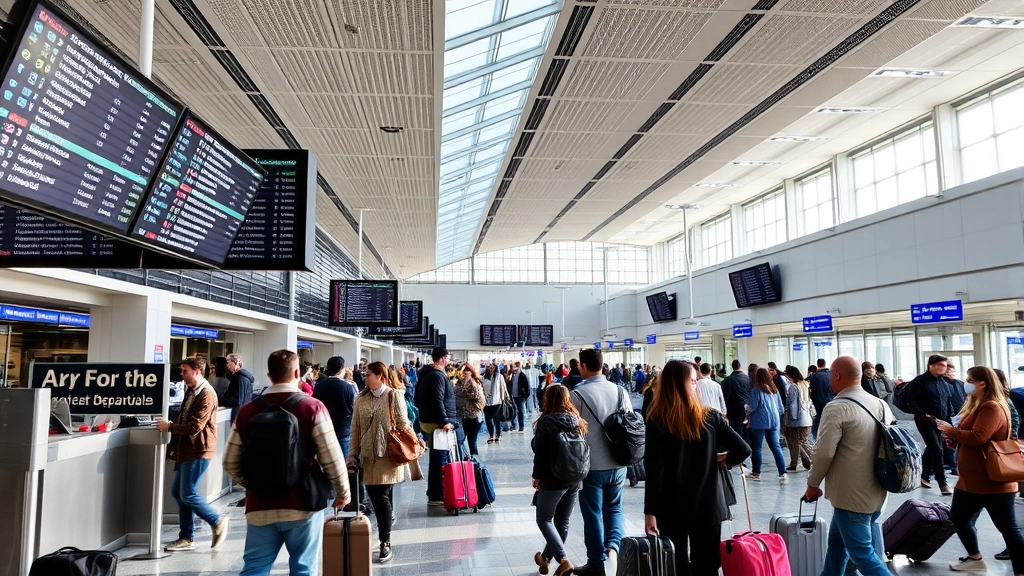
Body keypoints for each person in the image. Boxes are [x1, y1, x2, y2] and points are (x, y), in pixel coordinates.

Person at [223, 350, 351, 575]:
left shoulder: (247, 411)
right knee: (303, 568)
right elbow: (331, 458)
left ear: (269, 376)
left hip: (260, 505)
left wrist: (254, 482)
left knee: (254, 568)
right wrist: (343, 492)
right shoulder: (312, 408)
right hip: (303, 504)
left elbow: (230, 461)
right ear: (297, 373)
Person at [645, 360, 751, 576]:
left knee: (676, 564)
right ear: (678, 384)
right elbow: (744, 449)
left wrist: (650, 512)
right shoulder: (710, 417)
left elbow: (655, 470)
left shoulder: (657, 420)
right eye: (692, 381)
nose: (696, 386)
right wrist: (725, 458)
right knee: (708, 565)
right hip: (709, 503)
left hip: (672, 506)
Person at [804, 356, 895, 576]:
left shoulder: (837, 408)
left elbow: (823, 453)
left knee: (862, 555)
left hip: (851, 495)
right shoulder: (881, 404)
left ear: (836, 376)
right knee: (836, 547)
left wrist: (813, 484)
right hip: (877, 491)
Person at [936, 366, 1024, 574]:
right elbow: (973, 435)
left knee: (1007, 527)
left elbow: (978, 437)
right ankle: (975, 558)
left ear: (982, 383)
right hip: (972, 480)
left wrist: (952, 431)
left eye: (969, 380)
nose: (965, 383)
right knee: (958, 517)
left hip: (990, 480)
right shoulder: (978, 405)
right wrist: (955, 440)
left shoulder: (991, 407)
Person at [570, 348, 633, 576]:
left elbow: (571, 429)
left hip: (590, 466)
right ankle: (614, 550)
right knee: (615, 508)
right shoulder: (620, 391)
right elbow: (629, 424)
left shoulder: (576, 395)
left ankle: (596, 563)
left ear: (583, 366)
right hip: (618, 463)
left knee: (593, 513)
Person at [157, 357, 228, 552]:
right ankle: (187, 537)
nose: (181, 374)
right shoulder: (191, 390)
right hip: (186, 450)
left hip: (199, 449)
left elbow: (195, 427)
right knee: (178, 493)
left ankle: (216, 521)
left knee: (186, 493)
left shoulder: (206, 394)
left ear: (197, 371)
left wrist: (169, 427)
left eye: (185, 371)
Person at [347, 361, 411, 563]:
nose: (364, 378)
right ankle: (387, 523)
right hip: (367, 455)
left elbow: (403, 424)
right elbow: (355, 428)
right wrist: (352, 453)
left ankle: (385, 542)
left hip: (388, 455)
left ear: (380, 377)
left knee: (378, 495)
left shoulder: (394, 395)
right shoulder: (361, 398)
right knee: (383, 496)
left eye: (368, 375)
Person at [532, 384, 589, 576]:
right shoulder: (577, 420)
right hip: (574, 477)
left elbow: (540, 454)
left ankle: (563, 560)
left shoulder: (546, 422)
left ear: (548, 399)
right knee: (562, 523)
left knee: (544, 519)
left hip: (552, 477)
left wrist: (536, 476)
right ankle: (546, 559)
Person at [413, 346, 459, 506]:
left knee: (437, 458)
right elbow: (438, 400)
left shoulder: (425, 374)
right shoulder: (437, 376)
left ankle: (435, 492)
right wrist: (444, 420)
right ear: (442, 358)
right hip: (437, 424)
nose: (449, 361)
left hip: (428, 422)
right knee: (440, 460)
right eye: (448, 357)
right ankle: (436, 494)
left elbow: (416, 400)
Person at [906, 354, 956, 496]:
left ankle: (924, 476)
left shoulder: (944, 382)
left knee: (932, 448)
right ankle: (943, 483)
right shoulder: (920, 381)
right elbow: (912, 402)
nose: (944, 368)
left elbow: (947, 402)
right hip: (925, 420)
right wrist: (924, 415)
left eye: (945, 365)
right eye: (941, 365)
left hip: (941, 421)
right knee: (937, 449)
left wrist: (949, 419)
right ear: (931, 365)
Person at [745, 368, 787, 484]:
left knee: (757, 448)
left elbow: (752, 406)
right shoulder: (774, 390)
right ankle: (782, 474)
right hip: (774, 421)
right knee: (776, 447)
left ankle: (756, 473)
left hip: (760, 421)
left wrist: (747, 412)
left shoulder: (756, 390)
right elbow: (781, 408)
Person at [312, 356, 356, 458]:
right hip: (343, 430)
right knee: (342, 462)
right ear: (342, 369)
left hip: (323, 429)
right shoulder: (347, 387)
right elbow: (354, 407)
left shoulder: (319, 386)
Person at [783, 365, 815, 471]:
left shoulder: (793, 387)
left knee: (797, 441)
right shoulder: (805, 384)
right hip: (807, 418)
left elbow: (789, 402)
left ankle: (811, 460)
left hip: (796, 419)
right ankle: (804, 461)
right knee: (802, 441)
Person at [455, 363, 486, 456]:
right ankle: (465, 462)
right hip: (461, 416)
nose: (463, 375)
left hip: (474, 417)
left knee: (472, 442)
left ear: (471, 373)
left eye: (466, 373)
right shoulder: (457, 383)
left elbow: (478, 397)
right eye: (462, 373)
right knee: (460, 441)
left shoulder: (474, 383)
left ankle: (475, 464)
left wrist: (464, 386)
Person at [721, 359, 753, 447]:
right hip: (746, 409)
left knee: (735, 434)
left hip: (733, 410)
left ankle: (739, 453)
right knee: (746, 433)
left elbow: (726, 397)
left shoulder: (728, 380)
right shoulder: (748, 379)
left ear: (732, 367)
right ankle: (747, 452)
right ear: (740, 366)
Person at [221, 353, 255, 420]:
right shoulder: (246, 377)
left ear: (235, 362)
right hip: (245, 413)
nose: (227, 366)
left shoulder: (238, 378)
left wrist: (222, 401)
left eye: (228, 363)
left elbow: (237, 401)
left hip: (238, 415)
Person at [483, 364, 508, 443]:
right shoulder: (484, 378)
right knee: (488, 419)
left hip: (497, 401)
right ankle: (491, 435)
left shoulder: (499, 377)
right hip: (486, 402)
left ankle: (498, 434)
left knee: (496, 419)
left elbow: (503, 387)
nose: (491, 369)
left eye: (493, 368)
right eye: (490, 368)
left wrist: (504, 398)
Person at [808, 358, 833, 439]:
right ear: (825, 364)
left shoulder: (814, 377)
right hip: (831, 402)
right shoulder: (832, 375)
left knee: (818, 421)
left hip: (818, 404)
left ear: (817, 364)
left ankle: (816, 439)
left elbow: (811, 391)